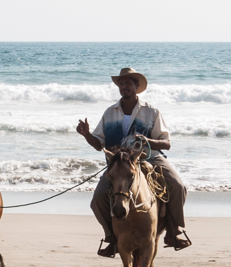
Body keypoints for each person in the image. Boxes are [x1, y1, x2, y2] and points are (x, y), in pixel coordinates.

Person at [76, 66, 191, 256]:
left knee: (178, 185)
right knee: (97, 200)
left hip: (150, 158)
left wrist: (148, 141)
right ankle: (111, 237)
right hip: (119, 165)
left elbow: (166, 143)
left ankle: (174, 231)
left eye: (128, 83)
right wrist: (87, 134)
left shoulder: (151, 111)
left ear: (136, 86)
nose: (124, 87)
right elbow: (99, 145)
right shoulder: (110, 112)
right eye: (121, 84)